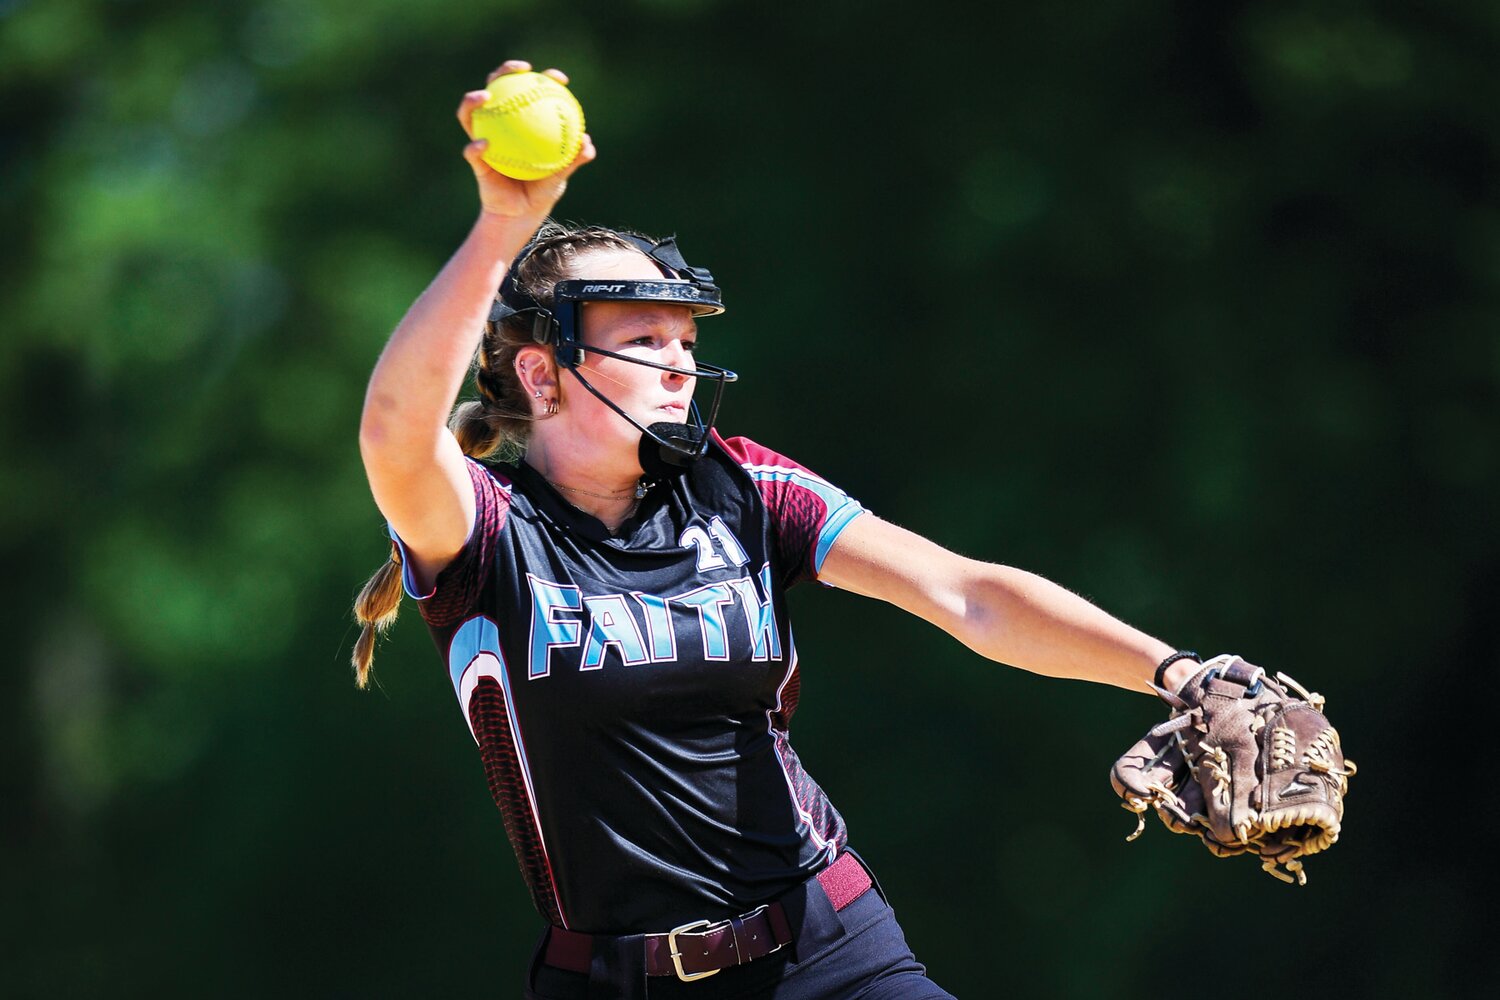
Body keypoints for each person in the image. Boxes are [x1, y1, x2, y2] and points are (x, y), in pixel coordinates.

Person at [352, 60, 1206, 1000]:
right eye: (641, 340)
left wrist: (1181, 674)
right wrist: (505, 225)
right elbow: (395, 432)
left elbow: (965, 593)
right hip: (611, 980)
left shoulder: (743, 485)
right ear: (542, 376)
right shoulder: (489, 532)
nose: (679, 362)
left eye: (684, 338)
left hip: (827, 951)